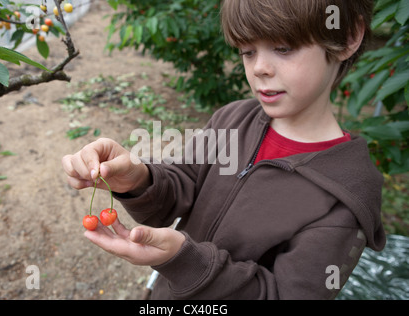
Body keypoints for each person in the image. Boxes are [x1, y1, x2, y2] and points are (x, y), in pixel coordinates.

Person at [62, 0, 386, 299]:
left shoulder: (344, 197)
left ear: (348, 37)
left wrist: (185, 262)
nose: (259, 67)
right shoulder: (233, 120)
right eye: (247, 51)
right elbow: (180, 185)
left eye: (283, 48)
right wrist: (137, 179)